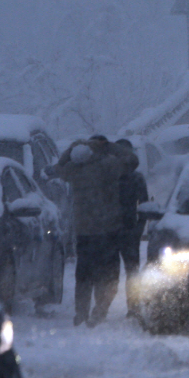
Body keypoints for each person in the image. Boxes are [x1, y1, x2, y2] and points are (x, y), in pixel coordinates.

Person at [52, 135, 137, 327]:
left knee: (84, 274)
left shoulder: (74, 170)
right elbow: (132, 161)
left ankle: (81, 312)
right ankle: (100, 310)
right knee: (108, 274)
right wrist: (110, 147)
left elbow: (59, 167)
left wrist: (73, 146)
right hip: (108, 229)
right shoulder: (108, 166)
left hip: (84, 232)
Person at [113, 138, 150, 320]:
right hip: (116, 230)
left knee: (130, 272)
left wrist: (138, 228)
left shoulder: (135, 178)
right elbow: (144, 206)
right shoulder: (110, 176)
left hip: (122, 230)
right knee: (119, 272)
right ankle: (107, 306)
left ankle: (133, 307)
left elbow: (144, 205)